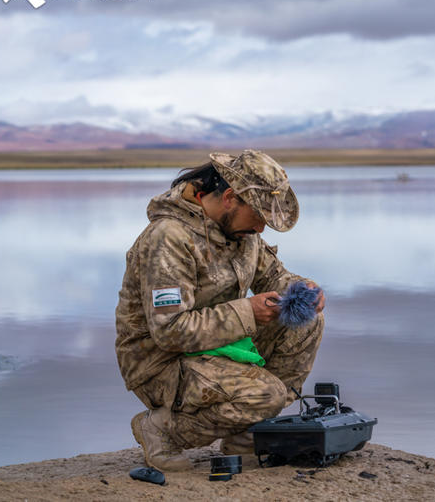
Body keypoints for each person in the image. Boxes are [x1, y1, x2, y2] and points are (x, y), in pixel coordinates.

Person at [114, 149, 325, 471]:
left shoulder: (242, 233)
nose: (261, 229)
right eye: (259, 218)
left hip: (218, 347)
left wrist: (302, 289)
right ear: (230, 198)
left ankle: (243, 433)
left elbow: (273, 276)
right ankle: (162, 430)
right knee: (266, 395)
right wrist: (248, 312)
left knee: (307, 321)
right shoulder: (168, 237)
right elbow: (170, 332)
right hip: (162, 363)